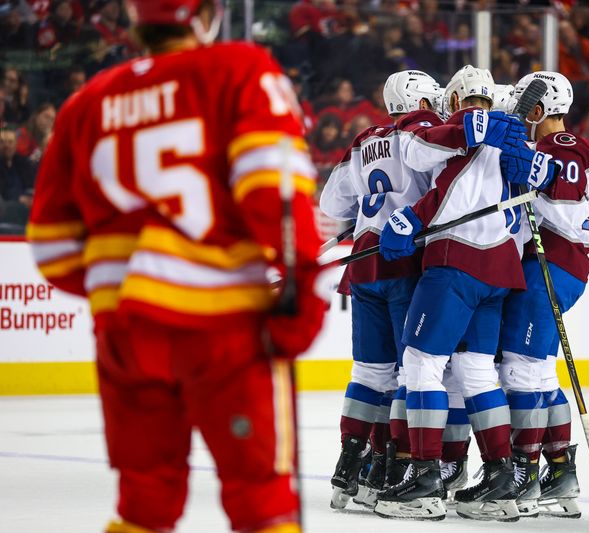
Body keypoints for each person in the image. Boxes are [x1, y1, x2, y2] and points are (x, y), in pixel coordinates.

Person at [26, 1, 327, 531]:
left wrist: (123, 286)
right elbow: (273, 187)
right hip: (225, 332)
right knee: (260, 494)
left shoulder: (86, 102)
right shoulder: (238, 67)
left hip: (125, 337)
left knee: (143, 500)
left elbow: (51, 246)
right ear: (204, 14)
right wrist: (301, 282)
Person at [374, 65, 540, 522]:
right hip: (499, 269)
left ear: (452, 103)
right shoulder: (516, 143)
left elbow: (424, 159)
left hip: (456, 264)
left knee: (420, 364)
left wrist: (408, 222)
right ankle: (501, 478)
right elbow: (530, 197)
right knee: (475, 371)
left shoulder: (462, 137)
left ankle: (425, 478)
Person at [320, 69, 444, 510]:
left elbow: (332, 204)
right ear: (424, 102)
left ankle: (349, 465)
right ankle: (394, 466)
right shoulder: (424, 132)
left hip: (365, 263)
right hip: (405, 262)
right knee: (412, 371)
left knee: (371, 373)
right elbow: (445, 191)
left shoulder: (364, 139)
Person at [495, 71, 589, 519]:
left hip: (551, 264)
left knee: (521, 370)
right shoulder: (557, 149)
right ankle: (560, 470)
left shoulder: (563, 147)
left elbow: (568, 203)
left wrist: (532, 184)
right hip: (552, 266)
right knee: (538, 372)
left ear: (538, 112)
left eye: (524, 111)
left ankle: (524, 472)